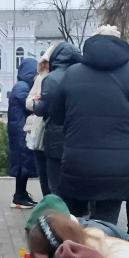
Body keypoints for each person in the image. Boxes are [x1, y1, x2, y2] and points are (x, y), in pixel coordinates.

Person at [47, 25, 129, 223]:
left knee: (75, 223)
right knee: (106, 224)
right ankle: (102, 249)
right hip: (119, 166)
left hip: (78, 163)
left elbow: (56, 115)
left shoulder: (73, 74)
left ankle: (76, 249)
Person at [33, 42, 82, 199]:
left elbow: (43, 109)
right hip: (78, 138)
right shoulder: (83, 76)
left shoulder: (50, 79)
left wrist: (36, 103)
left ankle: (58, 219)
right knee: (75, 184)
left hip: (54, 138)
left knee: (55, 185)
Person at [7, 57, 39, 208]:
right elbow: (28, 105)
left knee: (24, 163)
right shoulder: (22, 86)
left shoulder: (23, 85)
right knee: (21, 164)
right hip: (20, 131)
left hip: (19, 129)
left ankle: (22, 193)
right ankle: (18, 197)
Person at [25, 47, 52, 196]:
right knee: (43, 174)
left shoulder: (63, 77)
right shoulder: (40, 78)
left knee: (53, 175)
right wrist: (35, 102)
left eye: (50, 65)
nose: (48, 69)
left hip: (54, 132)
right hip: (39, 130)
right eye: (45, 66)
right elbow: (28, 102)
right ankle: (47, 203)